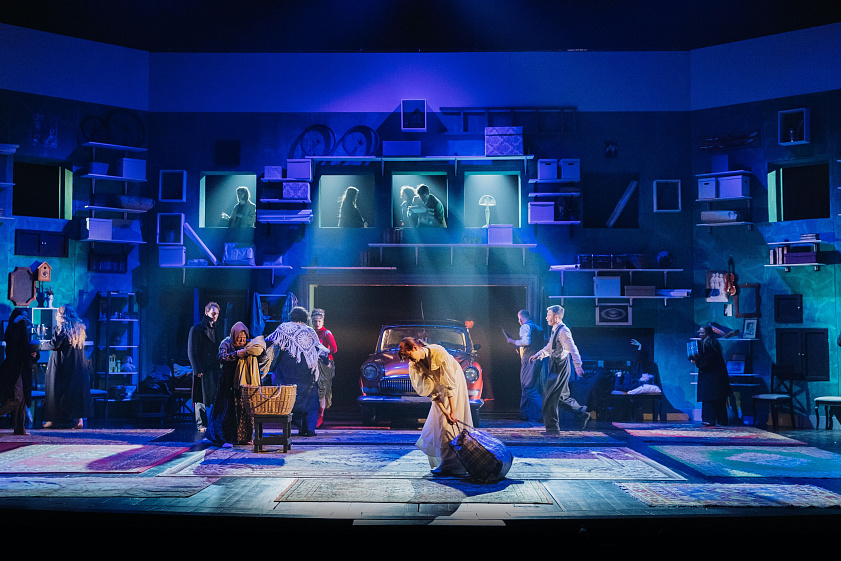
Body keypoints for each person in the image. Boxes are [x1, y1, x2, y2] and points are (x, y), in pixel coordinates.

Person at [399, 336, 473, 476]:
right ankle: (446, 461)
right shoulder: (415, 364)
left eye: (409, 356)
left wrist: (453, 411)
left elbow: (449, 386)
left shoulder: (438, 353)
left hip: (453, 382)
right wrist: (445, 412)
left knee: (447, 424)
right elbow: (433, 392)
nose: (409, 360)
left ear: (415, 348)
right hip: (440, 387)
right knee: (439, 420)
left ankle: (450, 464)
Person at [529, 305, 590, 433]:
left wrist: (578, 365)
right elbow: (550, 347)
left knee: (549, 398)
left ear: (556, 317)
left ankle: (552, 429)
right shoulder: (555, 330)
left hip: (560, 367)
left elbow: (573, 348)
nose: (546, 318)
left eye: (549, 315)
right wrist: (538, 355)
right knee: (561, 398)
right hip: (555, 366)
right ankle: (582, 412)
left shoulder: (563, 331)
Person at [266, 306, 325, 436]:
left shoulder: (284, 327)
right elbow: (319, 349)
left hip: (288, 367)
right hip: (306, 370)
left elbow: (270, 341)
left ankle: (289, 426)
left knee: (287, 398)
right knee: (309, 398)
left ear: (291, 317)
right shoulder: (310, 330)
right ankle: (308, 428)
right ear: (305, 318)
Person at [206, 322, 268, 446]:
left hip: (244, 384)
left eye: (243, 338)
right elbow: (221, 357)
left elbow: (261, 358)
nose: (241, 341)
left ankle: (244, 437)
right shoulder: (226, 343)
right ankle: (225, 437)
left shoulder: (249, 345)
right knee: (227, 411)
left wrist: (259, 352)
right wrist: (236, 354)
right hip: (228, 383)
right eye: (239, 338)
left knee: (244, 411)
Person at [42, 305, 91, 429]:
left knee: (55, 390)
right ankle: (79, 419)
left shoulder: (61, 328)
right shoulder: (80, 328)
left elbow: (55, 344)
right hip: (78, 364)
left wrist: (39, 346)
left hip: (62, 364)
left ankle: (52, 419)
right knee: (76, 391)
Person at [0, 309, 39, 434]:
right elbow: (12, 341)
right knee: (17, 398)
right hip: (14, 368)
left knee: (22, 399)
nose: (24, 319)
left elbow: (25, 349)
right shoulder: (12, 330)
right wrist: (15, 323)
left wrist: (33, 355)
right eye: (22, 316)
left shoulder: (24, 333)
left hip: (23, 368)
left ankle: (20, 428)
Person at [503, 309, 544, 422]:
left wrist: (512, 341)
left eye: (519, 319)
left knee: (527, 387)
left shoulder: (525, 327)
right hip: (536, 360)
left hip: (529, 359)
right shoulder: (538, 328)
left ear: (521, 319)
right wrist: (518, 347)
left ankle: (545, 411)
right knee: (525, 387)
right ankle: (523, 413)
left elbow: (526, 342)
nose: (519, 321)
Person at [188, 302, 221, 432]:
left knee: (214, 395)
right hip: (202, 368)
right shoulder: (196, 330)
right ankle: (201, 424)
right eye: (213, 313)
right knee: (200, 396)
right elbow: (191, 352)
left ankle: (214, 422)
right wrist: (197, 369)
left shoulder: (217, 329)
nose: (215, 316)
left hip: (213, 368)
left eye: (217, 314)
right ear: (206, 312)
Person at [689, 324, 731, 426]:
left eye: (702, 332)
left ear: (708, 333)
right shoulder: (709, 344)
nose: (700, 334)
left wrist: (697, 361)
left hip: (713, 376)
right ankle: (720, 420)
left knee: (710, 399)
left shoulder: (710, 344)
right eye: (699, 332)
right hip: (714, 377)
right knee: (717, 399)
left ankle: (710, 419)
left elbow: (708, 360)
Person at [311, 308, 337, 428]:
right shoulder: (311, 332)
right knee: (313, 389)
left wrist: (324, 351)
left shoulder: (326, 333)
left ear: (323, 321)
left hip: (325, 362)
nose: (317, 323)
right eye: (315, 321)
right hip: (313, 363)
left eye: (319, 321)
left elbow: (334, 349)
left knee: (322, 389)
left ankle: (320, 417)